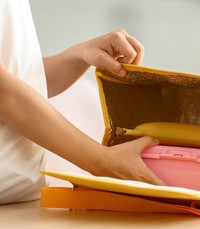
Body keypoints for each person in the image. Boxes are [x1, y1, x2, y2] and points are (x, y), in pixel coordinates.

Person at [0, 0, 164, 204]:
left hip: (25, 200)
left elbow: (23, 81)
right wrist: (103, 161)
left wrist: (78, 56)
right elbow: (4, 92)